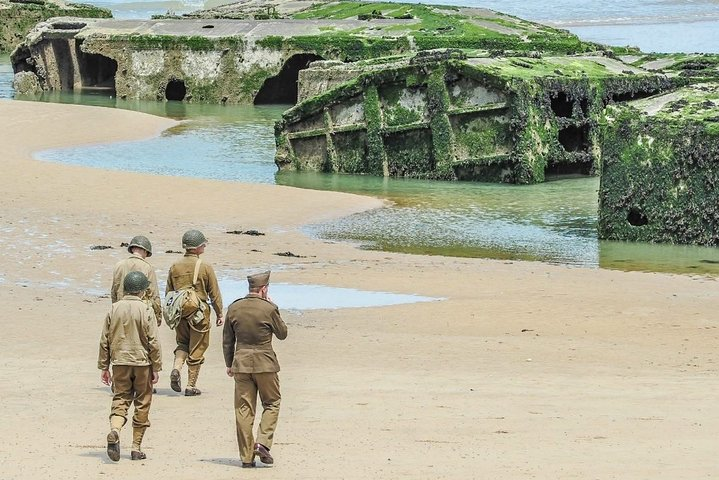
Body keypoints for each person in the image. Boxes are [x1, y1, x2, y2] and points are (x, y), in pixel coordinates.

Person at [223, 270, 287, 468]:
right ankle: (262, 443)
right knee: (272, 402)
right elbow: (283, 333)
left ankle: (246, 457)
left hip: (241, 364)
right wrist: (273, 306)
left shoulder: (234, 308)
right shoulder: (268, 308)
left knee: (243, 410)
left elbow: (227, 340)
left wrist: (229, 363)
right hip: (265, 363)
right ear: (264, 289)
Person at [98, 271, 162, 462]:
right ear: (143, 291)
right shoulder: (146, 310)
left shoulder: (113, 308)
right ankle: (136, 447)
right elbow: (154, 341)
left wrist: (104, 366)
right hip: (142, 363)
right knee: (142, 402)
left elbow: (104, 340)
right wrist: (156, 367)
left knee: (120, 399)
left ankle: (115, 430)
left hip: (119, 362)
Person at [166, 229, 223, 396]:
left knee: (182, 343)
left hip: (180, 312)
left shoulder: (175, 266)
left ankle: (176, 368)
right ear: (198, 247)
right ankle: (191, 386)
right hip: (200, 313)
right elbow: (215, 293)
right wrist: (220, 313)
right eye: (203, 244)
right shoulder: (205, 267)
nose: (204, 246)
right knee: (198, 348)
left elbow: (169, 293)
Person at [111, 235, 162, 327]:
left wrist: (115, 309)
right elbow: (154, 294)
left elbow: (114, 291)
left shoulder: (118, 265)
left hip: (121, 310)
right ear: (145, 251)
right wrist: (158, 317)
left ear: (132, 249)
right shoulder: (147, 267)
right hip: (140, 312)